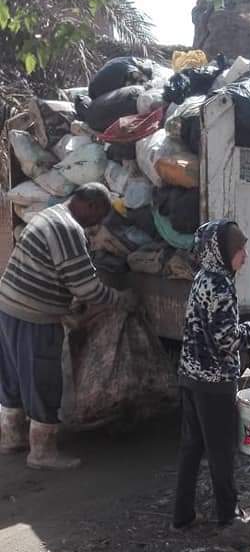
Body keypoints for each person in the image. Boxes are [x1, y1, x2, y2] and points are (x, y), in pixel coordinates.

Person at [0, 183, 134, 470]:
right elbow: (87, 288)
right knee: (42, 380)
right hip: (34, 317)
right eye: (100, 215)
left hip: (8, 308)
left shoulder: (48, 215)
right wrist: (121, 299)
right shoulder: (68, 229)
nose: (98, 223)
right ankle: (42, 453)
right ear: (90, 205)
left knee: (12, 376)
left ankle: (11, 437)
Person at [173, 219, 250, 531]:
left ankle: (182, 516)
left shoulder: (202, 276)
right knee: (220, 452)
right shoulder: (220, 285)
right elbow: (225, 342)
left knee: (191, 448)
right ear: (221, 251)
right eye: (240, 250)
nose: (245, 256)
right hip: (213, 383)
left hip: (190, 377)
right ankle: (227, 517)